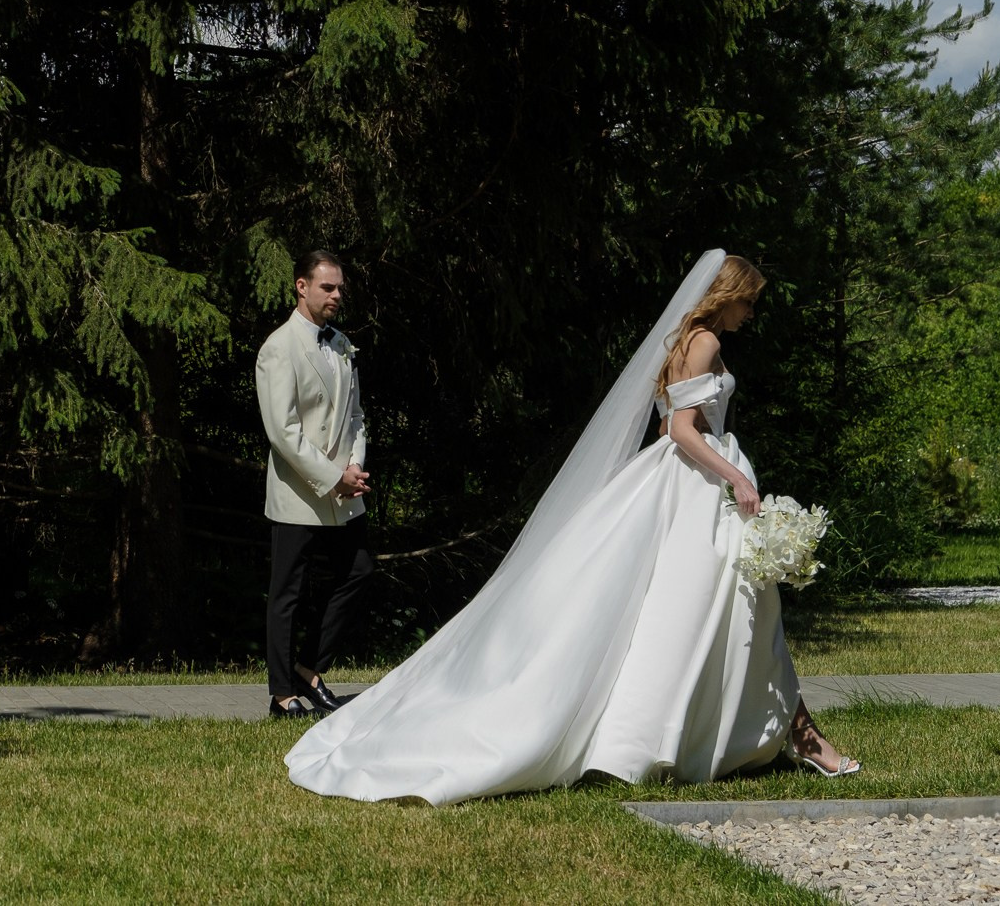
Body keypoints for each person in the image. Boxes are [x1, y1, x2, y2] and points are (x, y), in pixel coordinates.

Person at [285, 251, 857, 802]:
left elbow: (665, 432)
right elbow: (683, 429)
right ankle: (782, 736)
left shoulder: (680, 341)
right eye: (748, 302)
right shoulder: (705, 341)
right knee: (718, 609)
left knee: (704, 611)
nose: (751, 314)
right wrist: (737, 477)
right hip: (699, 481)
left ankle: (761, 734)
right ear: (728, 295)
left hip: (678, 480)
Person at [257, 249, 375, 720]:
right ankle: (281, 695)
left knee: (359, 570)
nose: (337, 295)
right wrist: (332, 478)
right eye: (328, 287)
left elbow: (356, 417)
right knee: (287, 591)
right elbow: (282, 432)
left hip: (343, 492)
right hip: (298, 493)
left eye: (340, 288)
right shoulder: (278, 348)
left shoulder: (344, 345)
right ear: (301, 287)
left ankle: (310, 668)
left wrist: (355, 468)